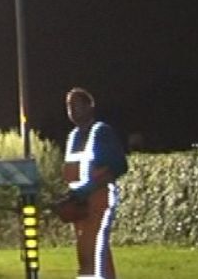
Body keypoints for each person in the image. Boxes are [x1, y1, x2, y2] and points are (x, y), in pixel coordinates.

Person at [61, 87, 128, 279]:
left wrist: (88, 188)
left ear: (89, 107)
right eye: (69, 106)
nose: (72, 110)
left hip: (99, 199)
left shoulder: (102, 132)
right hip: (78, 205)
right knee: (86, 248)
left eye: (76, 105)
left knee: (95, 245)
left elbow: (119, 166)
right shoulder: (72, 137)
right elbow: (72, 172)